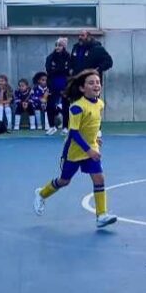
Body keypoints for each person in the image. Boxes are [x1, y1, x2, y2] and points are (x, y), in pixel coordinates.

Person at [33, 69, 117, 229]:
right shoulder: (77, 107)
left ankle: (101, 215)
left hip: (91, 148)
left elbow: (95, 123)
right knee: (64, 181)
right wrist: (89, 150)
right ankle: (42, 193)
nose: (96, 85)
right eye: (91, 83)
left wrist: (97, 136)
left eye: (97, 82)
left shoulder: (100, 104)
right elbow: (74, 133)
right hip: (75, 150)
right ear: (82, 88)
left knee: (99, 179)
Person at [46, 37, 72, 136]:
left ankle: (65, 127)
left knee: (66, 106)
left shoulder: (69, 57)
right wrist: (60, 69)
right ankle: (52, 126)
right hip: (53, 84)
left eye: (60, 45)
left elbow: (68, 70)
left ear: (64, 46)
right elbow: (49, 70)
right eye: (56, 45)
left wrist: (59, 69)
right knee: (50, 106)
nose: (57, 47)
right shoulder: (50, 57)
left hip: (65, 85)